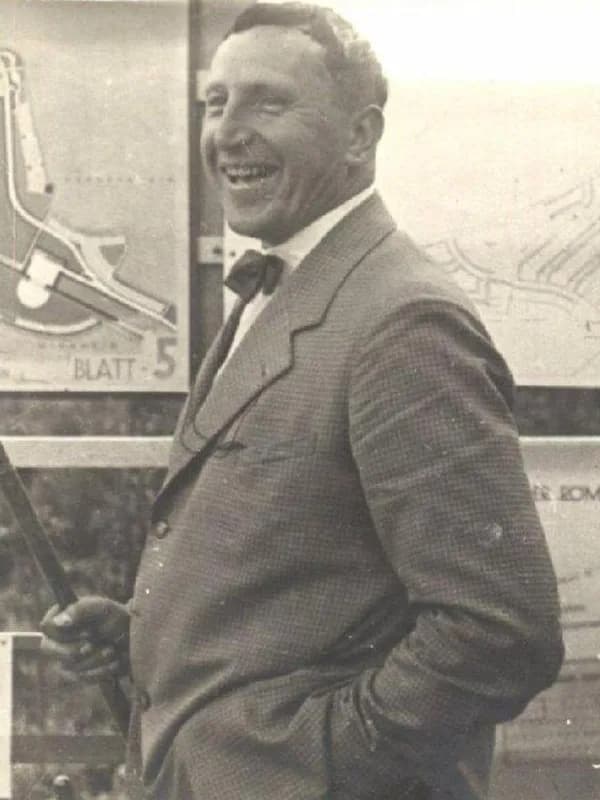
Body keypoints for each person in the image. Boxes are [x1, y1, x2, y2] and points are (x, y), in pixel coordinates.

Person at [41, 4, 564, 799]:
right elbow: (304, 575)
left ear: (360, 135)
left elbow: (501, 631)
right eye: (216, 103)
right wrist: (152, 636)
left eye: (269, 103)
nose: (229, 132)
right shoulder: (287, 285)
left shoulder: (403, 321)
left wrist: (291, 762)